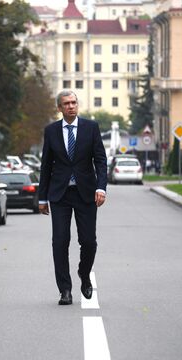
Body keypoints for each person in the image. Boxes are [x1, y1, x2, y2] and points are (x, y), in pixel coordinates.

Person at [38, 90, 107, 306]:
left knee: (88, 241)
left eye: (74, 102)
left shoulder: (91, 128)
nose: (71, 106)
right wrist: (42, 198)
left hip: (86, 193)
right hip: (60, 194)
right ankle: (65, 290)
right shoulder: (51, 131)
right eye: (66, 103)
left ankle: (84, 274)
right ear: (59, 108)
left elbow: (101, 161)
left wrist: (101, 188)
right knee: (60, 241)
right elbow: (46, 165)